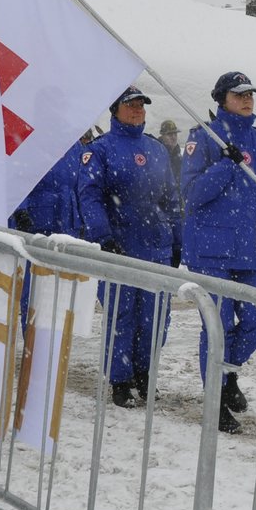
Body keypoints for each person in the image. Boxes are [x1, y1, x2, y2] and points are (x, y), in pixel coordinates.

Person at [180, 72, 256, 432]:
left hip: (252, 249)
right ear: (221, 99)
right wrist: (225, 164)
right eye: (238, 94)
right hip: (212, 250)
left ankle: (226, 375)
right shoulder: (203, 138)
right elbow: (193, 194)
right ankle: (215, 401)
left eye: (250, 95)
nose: (247, 100)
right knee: (216, 326)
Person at [80, 86, 185, 409]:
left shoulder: (155, 150)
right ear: (115, 110)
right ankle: (121, 379)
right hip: (120, 247)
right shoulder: (102, 150)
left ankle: (144, 373)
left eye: (141, 104)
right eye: (131, 104)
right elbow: (90, 195)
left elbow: (170, 199)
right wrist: (104, 236)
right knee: (122, 316)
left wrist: (177, 240)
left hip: (156, 248)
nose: (138, 109)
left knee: (154, 317)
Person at [158, 119, 184, 185]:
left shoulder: (179, 157)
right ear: (162, 136)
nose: (173, 137)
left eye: (175, 134)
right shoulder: (157, 154)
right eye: (169, 134)